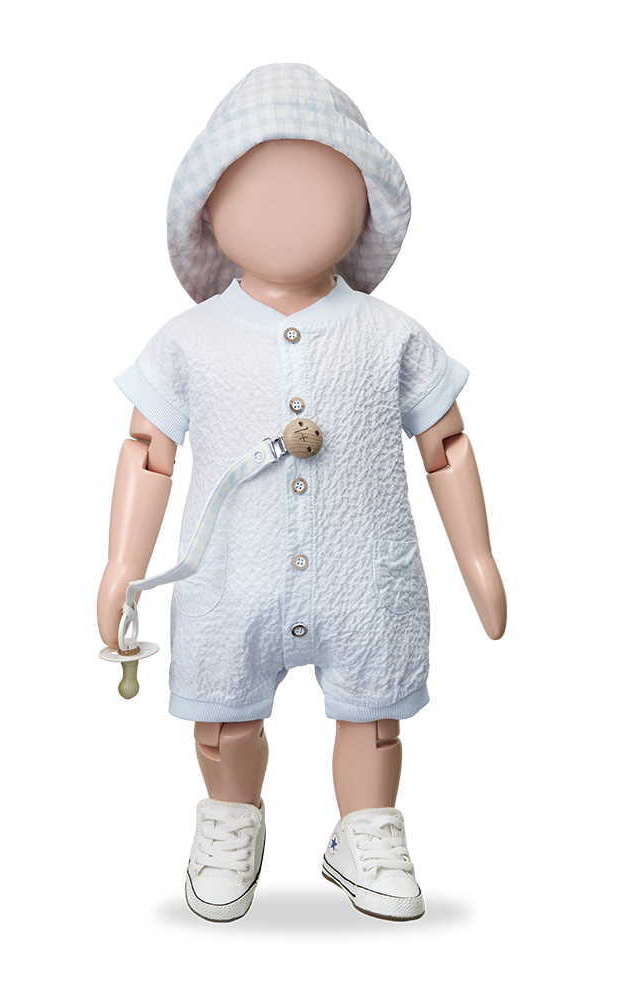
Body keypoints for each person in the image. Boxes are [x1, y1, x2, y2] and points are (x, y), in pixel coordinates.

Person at [97, 63, 506, 923]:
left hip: (366, 574)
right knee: (222, 719)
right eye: (256, 186)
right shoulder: (188, 339)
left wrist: (479, 559)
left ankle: (364, 832)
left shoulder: (392, 334)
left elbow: (447, 445)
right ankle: (231, 823)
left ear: (364, 205)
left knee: (376, 717)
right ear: (209, 208)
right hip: (229, 577)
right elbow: (146, 453)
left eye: (318, 186)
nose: (286, 208)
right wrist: (120, 569)